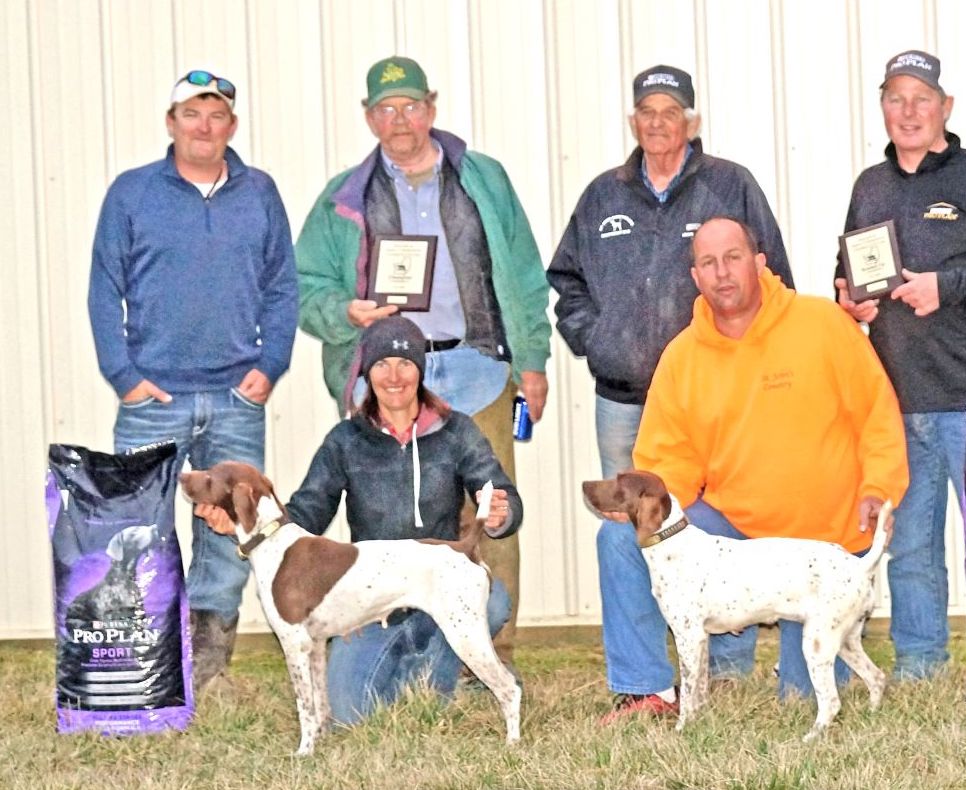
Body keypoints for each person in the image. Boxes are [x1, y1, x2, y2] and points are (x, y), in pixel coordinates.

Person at [596, 217, 908, 721]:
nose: (722, 273)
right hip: (735, 534)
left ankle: (764, 666)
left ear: (760, 263)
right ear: (695, 276)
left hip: (820, 546)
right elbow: (666, 462)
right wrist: (640, 510)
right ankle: (647, 689)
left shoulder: (824, 325)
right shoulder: (681, 358)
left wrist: (878, 488)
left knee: (803, 701)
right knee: (618, 542)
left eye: (733, 257)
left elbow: (877, 416)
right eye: (708, 263)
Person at [294, 56, 549, 669]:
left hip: (477, 371)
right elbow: (304, 289)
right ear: (368, 117)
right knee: (389, 518)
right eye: (385, 109)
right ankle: (397, 647)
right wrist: (344, 312)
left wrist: (533, 361)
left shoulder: (482, 180)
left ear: (431, 109)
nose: (399, 120)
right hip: (386, 383)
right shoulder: (342, 199)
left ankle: (496, 653)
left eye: (411, 106)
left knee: (490, 512)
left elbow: (523, 272)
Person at [835, 50, 966, 680]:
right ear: (883, 108)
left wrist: (944, 288)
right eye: (896, 98)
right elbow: (847, 274)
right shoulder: (869, 187)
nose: (908, 111)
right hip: (894, 404)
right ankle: (920, 667)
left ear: (945, 108)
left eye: (921, 98)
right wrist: (850, 302)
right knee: (910, 551)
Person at [87, 68, 298, 693]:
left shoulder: (259, 192)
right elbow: (105, 289)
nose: (204, 127)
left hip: (237, 398)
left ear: (231, 126)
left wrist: (269, 367)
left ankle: (209, 675)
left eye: (216, 116)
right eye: (191, 115)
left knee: (230, 536)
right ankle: (145, 675)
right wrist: (123, 375)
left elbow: (282, 286)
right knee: (139, 537)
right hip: (153, 400)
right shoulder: (131, 194)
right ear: (171, 122)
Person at [548, 65, 794, 478]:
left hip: (713, 393)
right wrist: (599, 340)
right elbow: (567, 277)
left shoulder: (730, 185)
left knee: (714, 510)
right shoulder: (603, 195)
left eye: (670, 112)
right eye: (647, 111)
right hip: (622, 400)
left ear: (692, 123)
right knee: (624, 517)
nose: (657, 122)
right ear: (633, 122)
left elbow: (773, 277)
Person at [281, 316, 520, 723]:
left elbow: (502, 496)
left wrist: (502, 512)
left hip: (438, 587)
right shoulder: (346, 440)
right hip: (370, 600)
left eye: (405, 364)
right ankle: (412, 671)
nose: (394, 377)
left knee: (493, 603)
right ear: (366, 373)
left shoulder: (457, 431)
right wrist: (259, 524)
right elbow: (307, 514)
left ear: (420, 372)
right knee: (348, 715)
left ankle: (432, 688)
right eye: (381, 365)